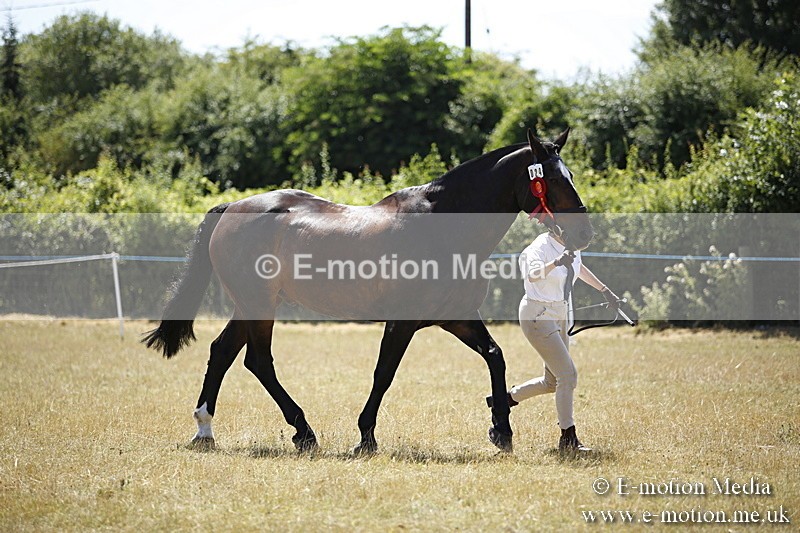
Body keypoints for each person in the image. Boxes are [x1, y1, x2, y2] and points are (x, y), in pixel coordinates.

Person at [487, 229, 620, 452]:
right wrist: (556, 262)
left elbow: (579, 267)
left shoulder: (571, 246)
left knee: (552, 382)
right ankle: (568, 439)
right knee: (567, 375)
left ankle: (505, 399)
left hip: (560, 313)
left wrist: (604, 290)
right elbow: (532, 275)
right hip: (538, 314)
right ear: (559, 230)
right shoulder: (538, 248)